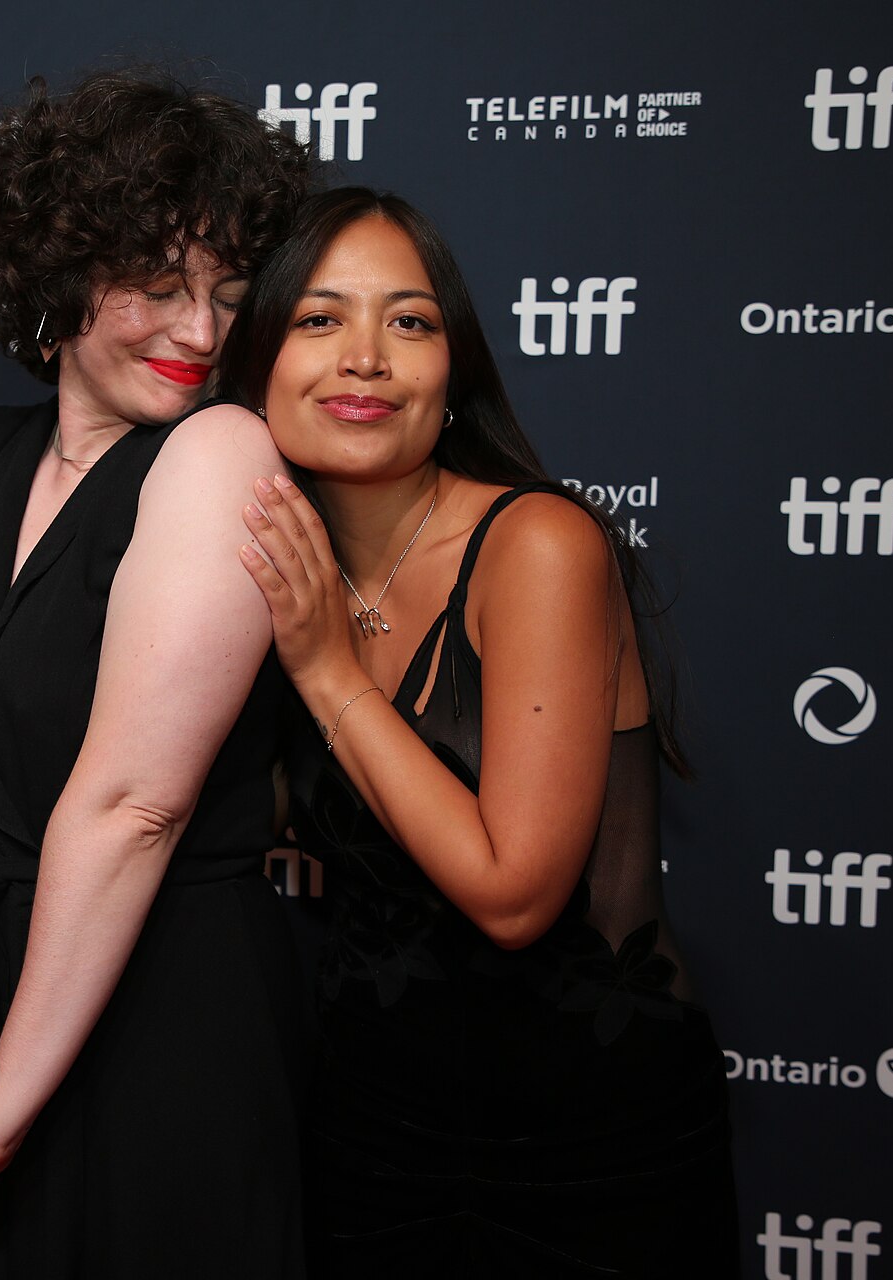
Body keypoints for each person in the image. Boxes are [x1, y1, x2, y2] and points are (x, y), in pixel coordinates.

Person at [0, 73, 311, 1277]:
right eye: (159, 285)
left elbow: (136, 806)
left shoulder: (221, 452)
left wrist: (2, 1108)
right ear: (65, 266)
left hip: (135, 1023)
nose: (200, 332)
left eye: (232, 294)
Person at [225, 188, 738, 1277]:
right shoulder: (272, 569)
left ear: (453, 372)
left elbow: (515, 892)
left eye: (408, 322)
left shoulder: (539, 542)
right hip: (371, 1127)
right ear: (256, 365)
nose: (366, 357)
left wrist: (325, 669)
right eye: (320, 319)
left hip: (589, 1139)